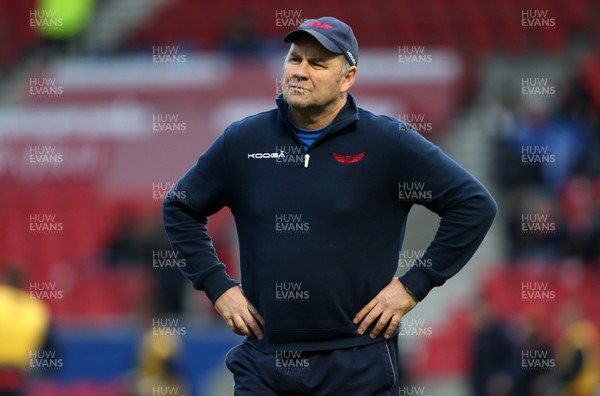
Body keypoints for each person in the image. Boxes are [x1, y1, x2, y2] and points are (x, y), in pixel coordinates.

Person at [163, 16, 497, 395]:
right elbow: (179, 208)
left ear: (347, 77)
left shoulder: (388, 143)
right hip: (265, 361)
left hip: (357, 361)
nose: (300, 72)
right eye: (294, 59)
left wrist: (413, 286)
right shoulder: (243, 141)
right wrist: (217, 286)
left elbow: (473, 205)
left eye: (317, 64)